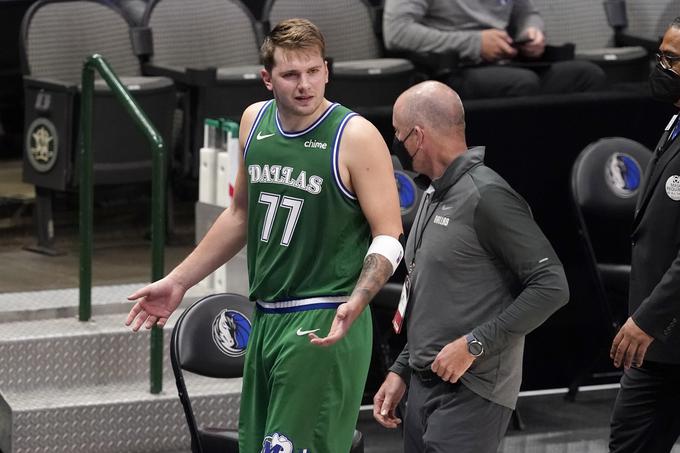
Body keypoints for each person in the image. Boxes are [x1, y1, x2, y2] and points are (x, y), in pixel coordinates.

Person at [125, 18, 404, 453]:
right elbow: (239, 215)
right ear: (267, 79)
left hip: (324, 317)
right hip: (267, 316)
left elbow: (389, 235)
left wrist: (360, 298)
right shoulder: (254, 122)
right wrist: (179, 280)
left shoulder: (355, 135)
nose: (305, 85)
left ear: (327, 70)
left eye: (313, 71)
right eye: (291, 74)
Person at [372, 80, 570, 452]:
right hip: (423, 383)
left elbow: (552, 286)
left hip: (473, 392)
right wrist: (401, 368)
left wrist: (475, 344)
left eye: (397, 133)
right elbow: (428, 296)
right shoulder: (433, 193)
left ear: (418, 136)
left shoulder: (488, 196)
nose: (395, 143)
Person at [608, 17, 680, 453]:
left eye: (671, 60)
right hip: (660, 346)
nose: (660, 67)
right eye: (660, 56)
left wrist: (648, 320)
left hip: (662, 331)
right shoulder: (674, 122)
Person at [382, 0, 606, 99]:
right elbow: (397, 32)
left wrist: (531, 32)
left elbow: (527, 13)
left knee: (586, 75)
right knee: (521, 82)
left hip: (510, 63)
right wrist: (475, 43)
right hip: (452, 70)